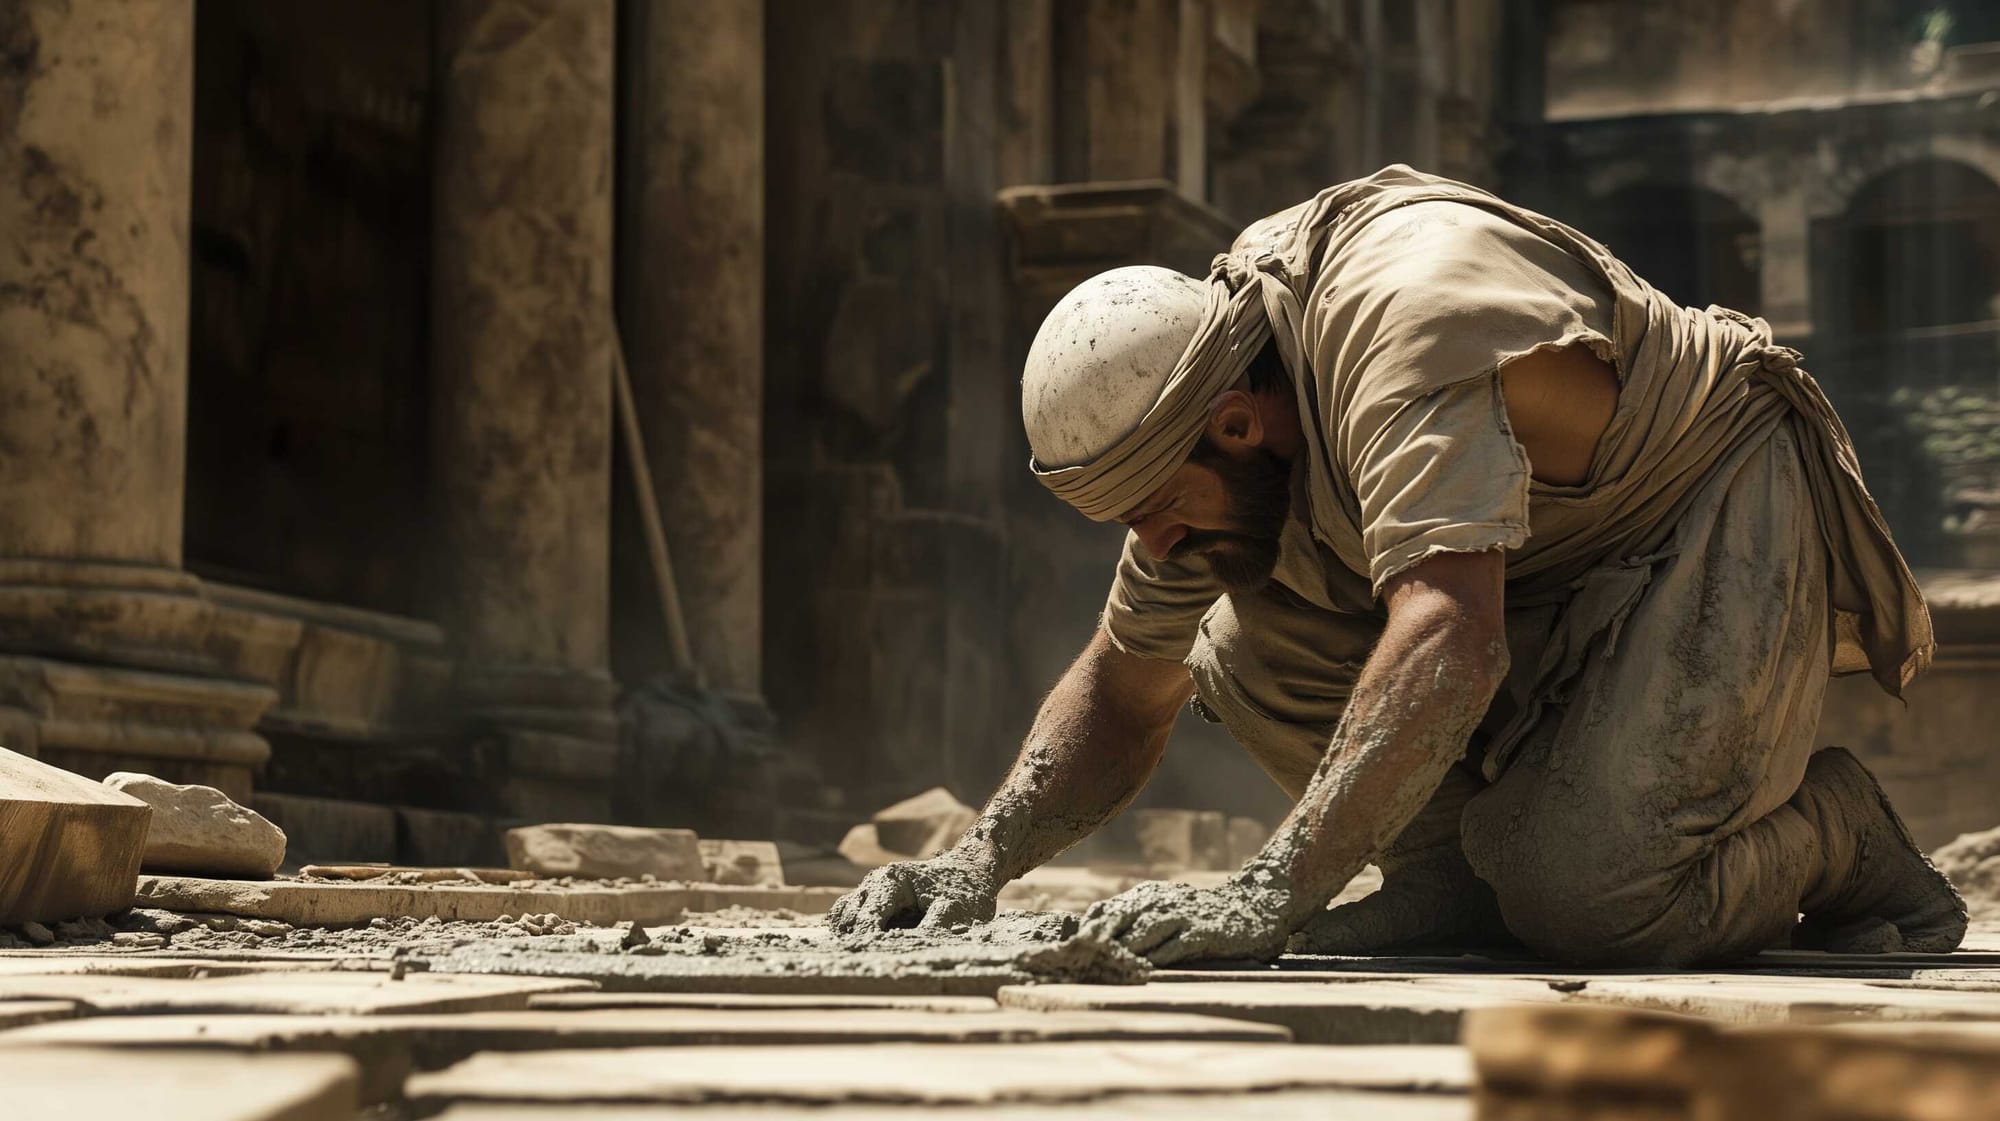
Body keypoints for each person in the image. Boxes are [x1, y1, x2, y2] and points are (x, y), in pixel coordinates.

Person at [826, 166, 1967, 967]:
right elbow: (1125, 685)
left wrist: (1270, 890)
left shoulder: (1401, 325)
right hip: (1519, 560)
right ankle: (1443, 877)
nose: (1155, 545)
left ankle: (1836, 827)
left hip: (1701, 508)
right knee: (1230, 637)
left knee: (1592, 898)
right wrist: (977, 858)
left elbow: (1450, 635)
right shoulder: (1224, 405)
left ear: (1231, 422)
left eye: (1156, 511)